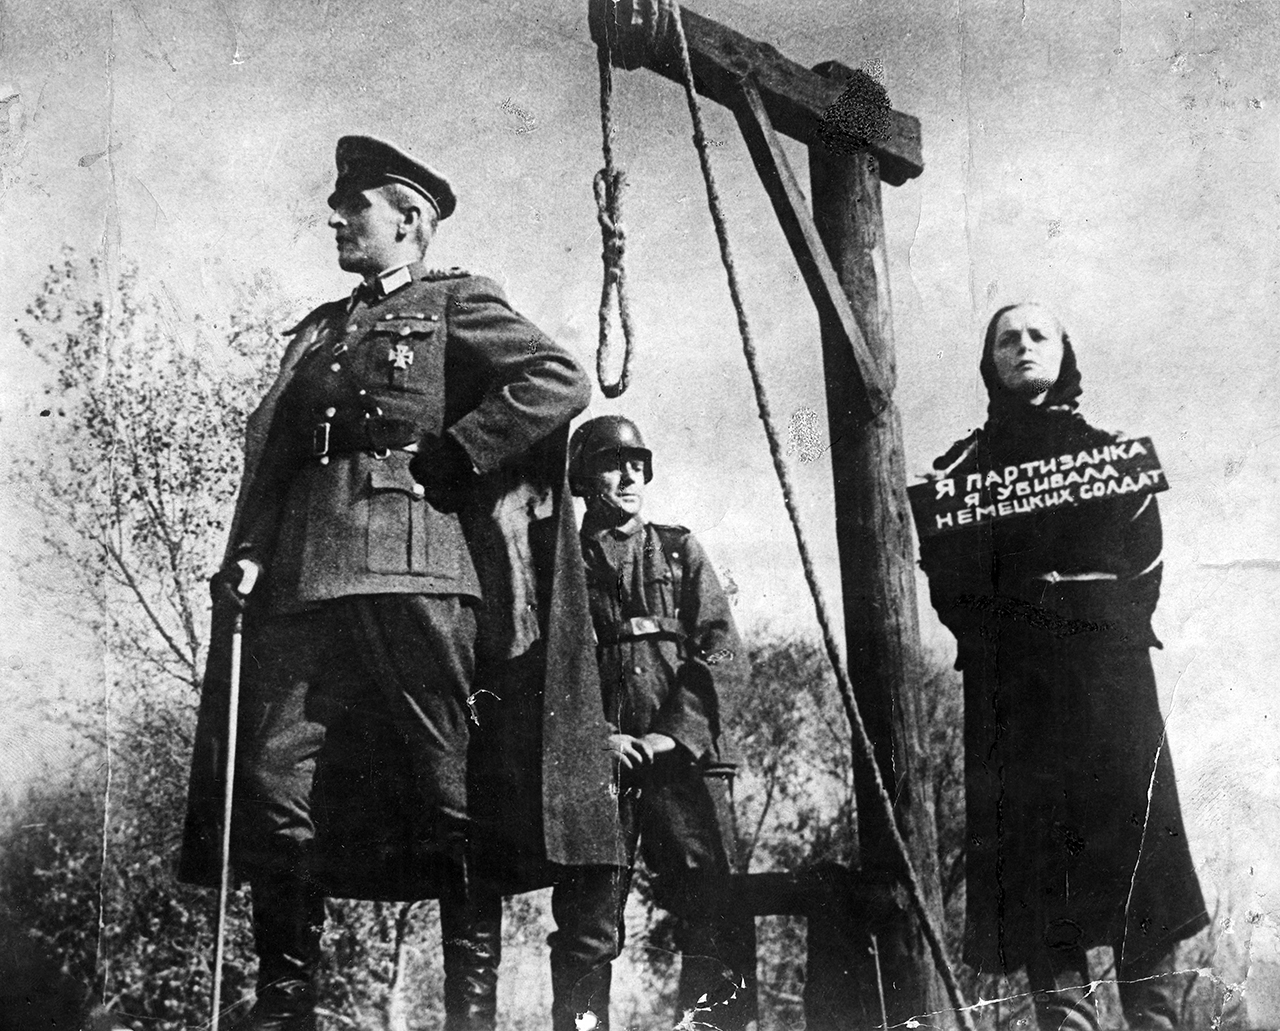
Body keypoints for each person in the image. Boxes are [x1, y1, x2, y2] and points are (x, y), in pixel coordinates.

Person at [178, 135, 623, 1031]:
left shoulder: (455, 300)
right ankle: (286, 1000)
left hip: (418, 572)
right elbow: (283, 458)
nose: (336, 219)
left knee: (450, 789)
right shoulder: (320, 331)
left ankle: (470, 1008)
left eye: (356, 206)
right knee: (270, 778)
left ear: (410, 219)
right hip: (305, 580)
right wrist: (255, 550)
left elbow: (559, 379)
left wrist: (459, 453)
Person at [917, 303, 1208, 1031]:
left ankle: (1156, 1021)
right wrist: (1027, 626)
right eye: (1006, 339)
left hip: (1111, 689)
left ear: (1063, 351)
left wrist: (1082, 621)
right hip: (1014, 698)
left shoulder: (1112, 457)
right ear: (989, 361)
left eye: (1037, 335)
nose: (1022, 347)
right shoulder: (959, 473)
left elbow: (1144, 568)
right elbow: (950, 584)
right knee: (1040, 871)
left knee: (1137, 856)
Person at [547, 415, 758, 1031]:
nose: (630, 477)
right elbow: (542, 665)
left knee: (712, 911)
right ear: (582, 478)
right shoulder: (560, 563)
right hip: (599, 767)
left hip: (685, 764)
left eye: (638, 465)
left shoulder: (678, 549)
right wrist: (594, 736)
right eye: (614, 465)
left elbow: (723, 650)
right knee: (588, 928)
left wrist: (675, 734)